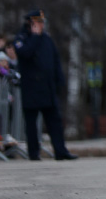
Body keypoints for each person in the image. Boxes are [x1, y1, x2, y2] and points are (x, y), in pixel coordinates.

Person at [13, 10, 77, 161]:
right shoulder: (22, 38)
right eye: (39, 22)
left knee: (55, 121)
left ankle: (60, 151)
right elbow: (25, 53)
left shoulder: (47, 39)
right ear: (31, 23)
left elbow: (55, 62)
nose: (42, 25)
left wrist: (59, 81)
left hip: (48, 88)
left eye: (42, 22)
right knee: (31, 124)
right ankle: (33, 153)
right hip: (31, 88)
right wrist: (34, 37)